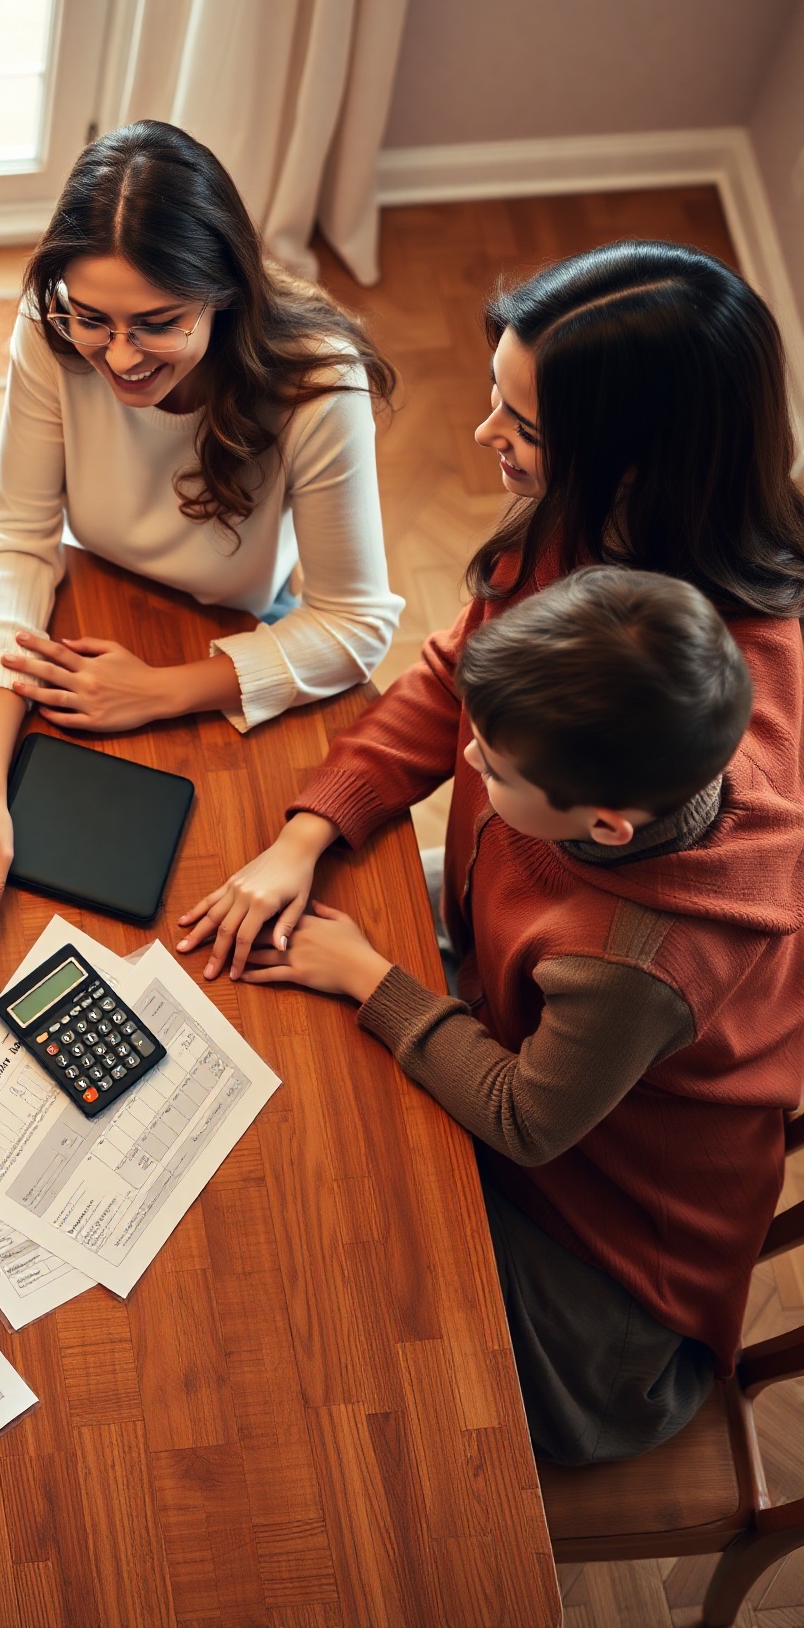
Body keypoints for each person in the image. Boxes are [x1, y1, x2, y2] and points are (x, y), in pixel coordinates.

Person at [230, 567, 804, 1463]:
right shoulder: (634, 758)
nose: (467, 762)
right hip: (545, 1079)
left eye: (493, 767)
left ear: (607, 827)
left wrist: (372, 979)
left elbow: (525, 1119)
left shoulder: (635, 963)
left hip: (604, 1287)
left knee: (332, 1283)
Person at [179, 239, 804, 980]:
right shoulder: (583, 516)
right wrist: (310, 831)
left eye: (527, 428)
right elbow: (459, 676)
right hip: (487, 913)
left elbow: (593, 1028)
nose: (484, 433)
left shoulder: (729, 720)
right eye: (496, 393)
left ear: (640, 462)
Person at [0, 120, 403, 966]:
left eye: (157, 323)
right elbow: (13, 541)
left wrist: (161, 692)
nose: (119, 356)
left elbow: (355, 625)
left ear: (224, 294)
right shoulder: (50, 330)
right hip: (95, 588)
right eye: (94, 320)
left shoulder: (319, 383)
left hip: (241, 630)